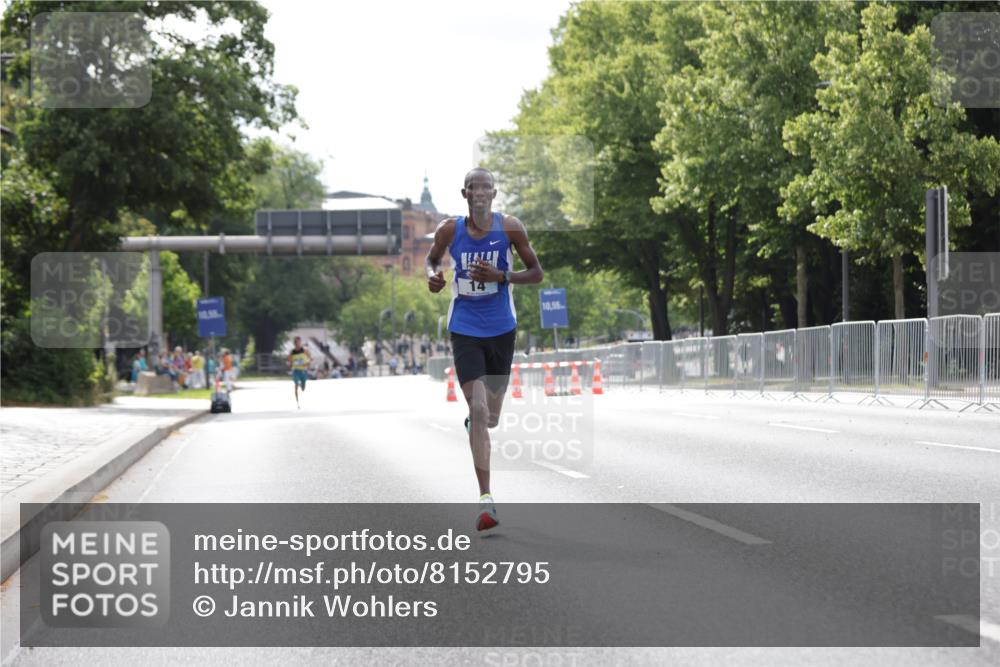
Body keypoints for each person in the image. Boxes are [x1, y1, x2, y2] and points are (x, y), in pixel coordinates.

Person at [426, 167, 544, 532]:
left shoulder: (510, 228)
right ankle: (486, 499)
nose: (480, 193)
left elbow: (537, 273)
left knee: (490, 416)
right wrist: (432, 275)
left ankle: (478, 424)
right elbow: (432, 258)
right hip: (464, 328)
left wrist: (502, 277)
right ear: (465, 194)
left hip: (501, 329)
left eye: (486, 188)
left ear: (494, 194)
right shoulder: (450, 230)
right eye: (474, 188)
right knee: (477, 408)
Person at [287, 337, 311, 408]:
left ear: (301, 342)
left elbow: (310, 359)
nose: (298, 344)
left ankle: (301, 385)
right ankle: (297, 403)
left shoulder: (305, 351)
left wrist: (307, 363)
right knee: (296, 385)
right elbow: (290, 361)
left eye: (299, 342)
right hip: (296, 371)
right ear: (294, 343)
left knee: (303, 388)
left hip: (303, 371)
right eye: (296, 342)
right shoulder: (292, 352)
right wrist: (290, 364)